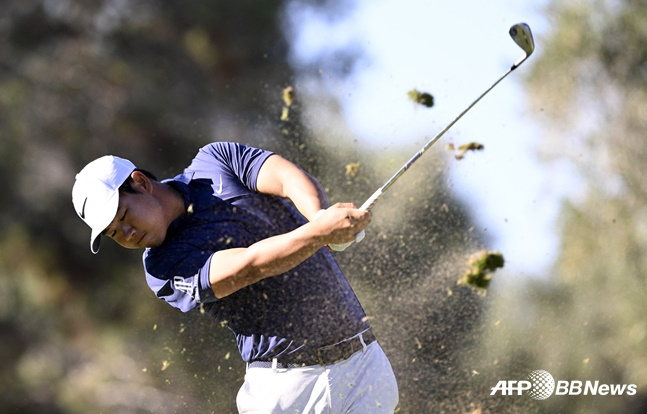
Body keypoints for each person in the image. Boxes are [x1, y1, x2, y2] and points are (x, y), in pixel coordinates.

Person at [72, 141, 399, 413]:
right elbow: (249, 265)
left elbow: (286, 177)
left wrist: (320, 217)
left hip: (364, 364)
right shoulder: (162, 268)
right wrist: (318, 233)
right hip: (288, 390)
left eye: (125, 216)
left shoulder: (215, 162)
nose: (128, 234)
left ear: (141, 182)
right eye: (115, 234)